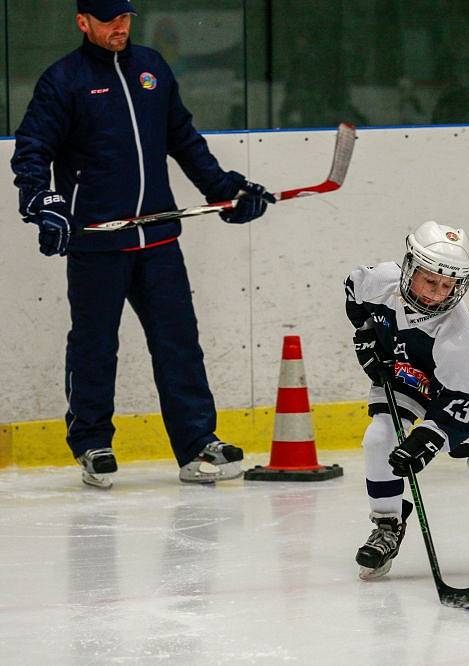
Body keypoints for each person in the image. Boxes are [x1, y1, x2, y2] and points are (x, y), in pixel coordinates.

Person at [10, 0, 273, 488]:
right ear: (83, 21)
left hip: (157, 239)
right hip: (98, 244)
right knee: (94, 346)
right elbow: (32, 150)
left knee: (179, 343)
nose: (121, 28)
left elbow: (183, 139)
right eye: (110, 20)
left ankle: (196, 444)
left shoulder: (151, 67)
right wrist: (44, 203)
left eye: (126, 18)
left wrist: (224, 191)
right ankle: (91, 441)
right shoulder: (63, 80)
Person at [344, 221, 469, 580]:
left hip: (456, 395)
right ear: (410, 268)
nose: (437, 293)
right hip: (404, 377)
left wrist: (429, 437)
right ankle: (387, 526)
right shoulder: (378, 281)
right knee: (380, 438)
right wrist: (365, 336)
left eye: (447, 284)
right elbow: (354, 294)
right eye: (430, 280)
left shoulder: (458, 333)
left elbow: (463, 401)